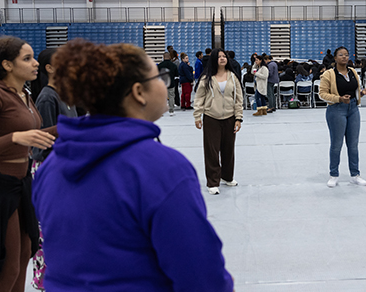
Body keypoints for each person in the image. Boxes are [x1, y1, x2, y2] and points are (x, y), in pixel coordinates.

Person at [31, 40, 233, 291]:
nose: (163, 83)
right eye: (159, 77)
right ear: (139, 92)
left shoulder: (51, 168)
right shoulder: (161, 169)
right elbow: (202, 275)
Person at [0, 36, 55, 292]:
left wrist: (71, 127)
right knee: (9, 264)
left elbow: (35, 134)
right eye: (27, 58)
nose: (35, 63)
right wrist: (15, 137)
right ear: (7, 65)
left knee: (25, 253)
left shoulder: (24, 94)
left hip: (21, 180)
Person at [30, 48, 78, 291]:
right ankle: (44, 278)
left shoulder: (65, 94)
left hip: (66, 165)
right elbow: (45, 141)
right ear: (49, 68)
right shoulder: (48, 97)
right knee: (47, 227)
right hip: (50, 167)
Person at [319, 46, 366, 188]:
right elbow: (322, 94)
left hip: (353, 109)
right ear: (335, 58)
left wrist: (362, 92)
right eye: (341, 55)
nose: (344, 57)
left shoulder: (353, 72)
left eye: (346, 55)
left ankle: (355, 175)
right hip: (336, 110)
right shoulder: (328, 74)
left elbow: (354, 92)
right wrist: (339, 99)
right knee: (336, 145)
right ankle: (334, 174)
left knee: (353, 145)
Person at [193, 48, 244, 195]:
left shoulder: (233, 77)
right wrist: (197, 116)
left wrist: (238, 118)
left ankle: (227, 176)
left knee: (228, 149)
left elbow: (239, 98)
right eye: (219, 56)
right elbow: (199, 98)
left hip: (229, 117)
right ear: (214, 59)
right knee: (212, 151)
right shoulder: (206, 78)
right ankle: (213, 182)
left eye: (224, 56)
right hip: (211, 118)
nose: (222, 58)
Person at [157, 52, 178, 117]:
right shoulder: (173, 65)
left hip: (162, 84)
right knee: (171, 96)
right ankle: (171, 110)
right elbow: (176, 75)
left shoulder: (159, 65)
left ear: (163, 57)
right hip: (171, 83)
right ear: (169, 57)